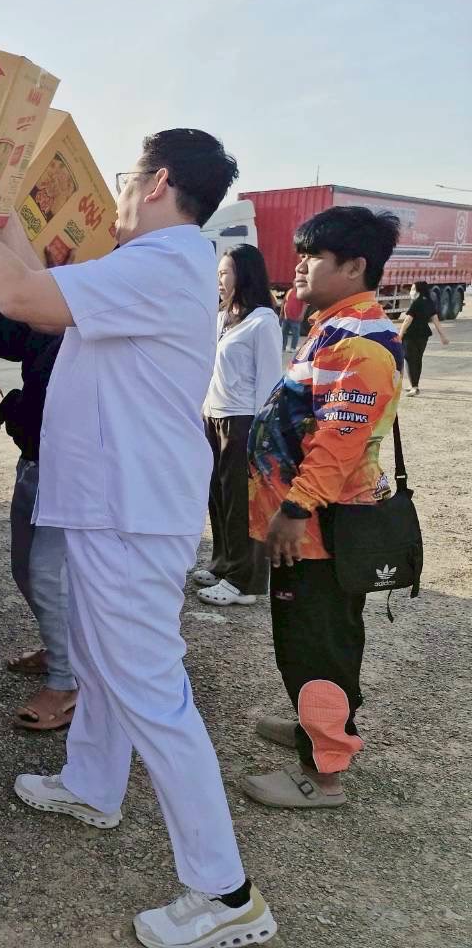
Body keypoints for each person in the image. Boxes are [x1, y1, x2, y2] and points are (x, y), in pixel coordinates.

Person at [0, 130, 277, 948]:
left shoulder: (162, 263)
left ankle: (227, 895)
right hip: (114, 503)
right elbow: (39, 284)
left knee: (151, 692)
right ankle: (94, 785)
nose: (122, 191)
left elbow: (21, 298)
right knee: (100, 662)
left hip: (132, 511)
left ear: (158, 181)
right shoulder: (152, 263)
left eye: (131, 177)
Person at [244, 206, 403, 810]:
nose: (300, 266)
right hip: (312, 525)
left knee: (315, 643)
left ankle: (324, 770)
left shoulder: (360, 344)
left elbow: (339, 440)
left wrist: (295, 508)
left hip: (319, 529)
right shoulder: (332, 327)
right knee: (317, 637)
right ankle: (316, 724)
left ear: (355, 266)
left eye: (314, 256)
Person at [0, 300, 75, 729]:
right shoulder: (45, 322)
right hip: (32, 464)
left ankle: (67, 682)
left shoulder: (94, 324)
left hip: (70, 472)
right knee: (24, 569)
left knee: (48, 572)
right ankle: (61, 649)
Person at [192, 244, 283, 606]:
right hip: (212, 416)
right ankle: (224, 563)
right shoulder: (222, 317)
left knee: (241, 503)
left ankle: (244, 582)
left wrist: (261, 436)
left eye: (224, 273)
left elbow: (270, 382)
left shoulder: (263, 321)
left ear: (243, 275)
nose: (219, 280)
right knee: (218, 496)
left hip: (242, 420)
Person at [396, 281, 449, 395]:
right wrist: (443, 336)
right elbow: (436, 320)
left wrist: (400, 335)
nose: (411, 291)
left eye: (413, 289)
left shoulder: (416, 303)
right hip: (423, 335)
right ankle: (414, 384)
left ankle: (414, 387)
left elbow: (407, 320)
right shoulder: (429, 302)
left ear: (418, 290)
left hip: (411, 336)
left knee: (410, 360)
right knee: (417, 359)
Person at [280, 284, 304, 351]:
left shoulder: (301, 293)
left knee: (295, 334)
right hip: (286, 317)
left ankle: (293, 348)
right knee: (283, 333)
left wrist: (302, 314)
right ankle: (283, 347)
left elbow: (304, 305)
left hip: (295, 317)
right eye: (295, 283)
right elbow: (284, 301)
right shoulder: (290, 291)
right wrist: (281, 312)